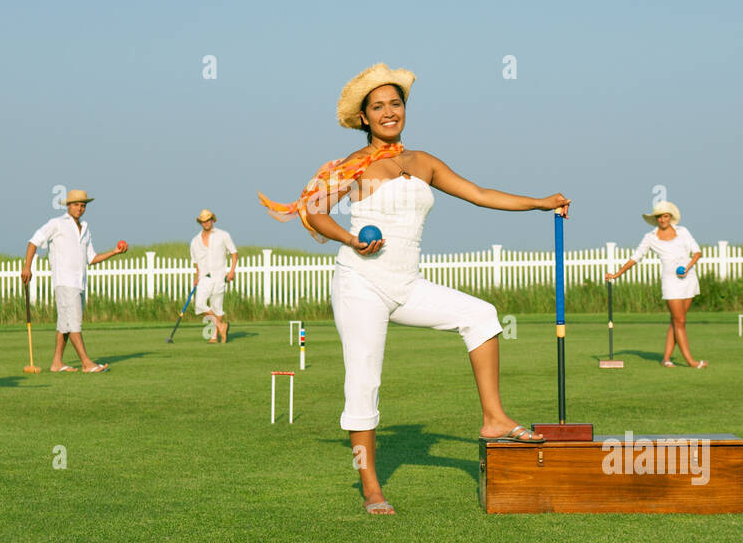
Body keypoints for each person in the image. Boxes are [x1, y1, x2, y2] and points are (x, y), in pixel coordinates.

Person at [259, 62, 570, 515]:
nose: (389, 112)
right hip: (360, 283)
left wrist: (539, 203)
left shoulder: (423, 162)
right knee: (364, 382)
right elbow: (315, 213)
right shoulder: (352, 167)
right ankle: (370, 486)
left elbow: (480, 193)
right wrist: (351, 240)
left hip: (406, 283)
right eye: (378, 106)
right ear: (363, 118)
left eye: (395, 103)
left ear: (405, 109)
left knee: (481, 315)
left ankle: (493, 418)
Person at [21, 189, 126, 373]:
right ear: (68, 206)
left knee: (65, 325)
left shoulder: (85, 228)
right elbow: (33, 241)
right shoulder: (57, 224)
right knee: (74, 323)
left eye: (83, 205)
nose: (80, 208)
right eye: (76, 204)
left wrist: (114, 252)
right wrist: (27, 267)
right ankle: (86, 363)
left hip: (80, 283)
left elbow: (91, 258)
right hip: (64, 282)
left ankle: (57, 363)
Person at [605, 202, 707, 369]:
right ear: (656, 219)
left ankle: (666, 359)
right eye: (659, 217)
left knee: (676, 321)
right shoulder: (650, 237)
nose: (662, 219)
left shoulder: (683, 232)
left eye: (665, 216)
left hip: (688, 279)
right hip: (671, 283)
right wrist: (617, 274)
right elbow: (636, 257)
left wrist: (687, 268)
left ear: (670, 217)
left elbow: (697, 252)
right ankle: (690, 361)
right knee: (679, 321)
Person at [190, 209, 238, 344]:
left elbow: (234, 253)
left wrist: (232, 271)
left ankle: (214, 337)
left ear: (212, 220)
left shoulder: (223, 235)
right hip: (204, 278)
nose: (206, 223)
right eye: (203, 221)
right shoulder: (195, 241)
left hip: (219, 276)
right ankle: (222, 326)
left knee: (217, 307)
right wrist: (196, 277)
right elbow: (196, 263)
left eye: (208, 220)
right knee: (199, 305)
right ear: (201, 222)